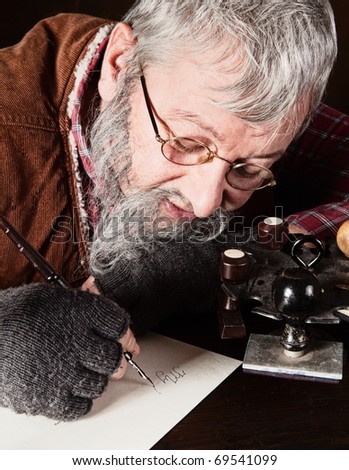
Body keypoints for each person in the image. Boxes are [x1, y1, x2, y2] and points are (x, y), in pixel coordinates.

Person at [0, 0, 348, 421]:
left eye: (250, 169)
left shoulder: (243, 103)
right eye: (187, 144)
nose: (205, 204)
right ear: (120, 63)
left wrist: (242, 248)